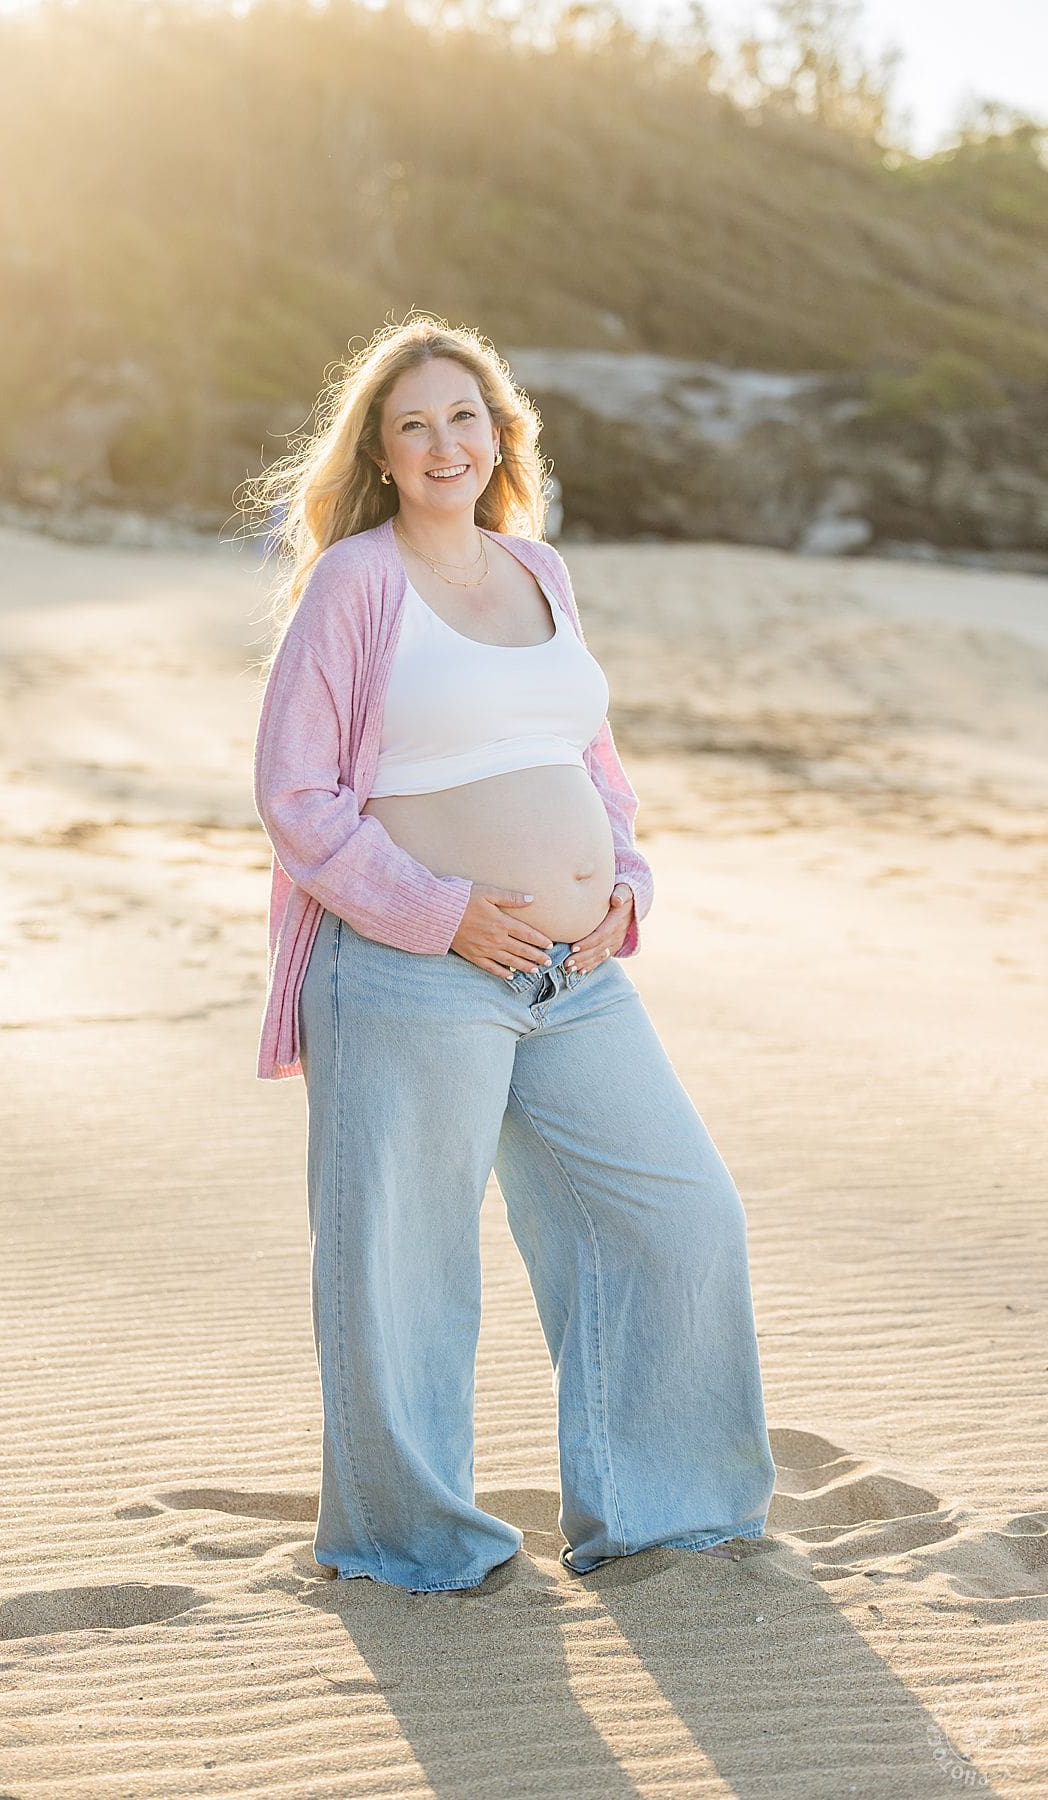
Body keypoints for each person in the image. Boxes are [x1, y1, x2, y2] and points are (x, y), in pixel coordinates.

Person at [247, 315, 776, 1595]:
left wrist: (625, 892)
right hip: (412, 969)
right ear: (380, 449)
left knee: (675, 1213)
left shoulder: (539, 571)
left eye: (465, 419)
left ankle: (669, 1515)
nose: (444, 444)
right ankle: (412, 1543)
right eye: (414, 423)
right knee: (404, 1264)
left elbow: (591, 766)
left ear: (501, 437)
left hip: (576, 975)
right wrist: (441, 912)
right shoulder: (357, 582)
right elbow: (297, 794)